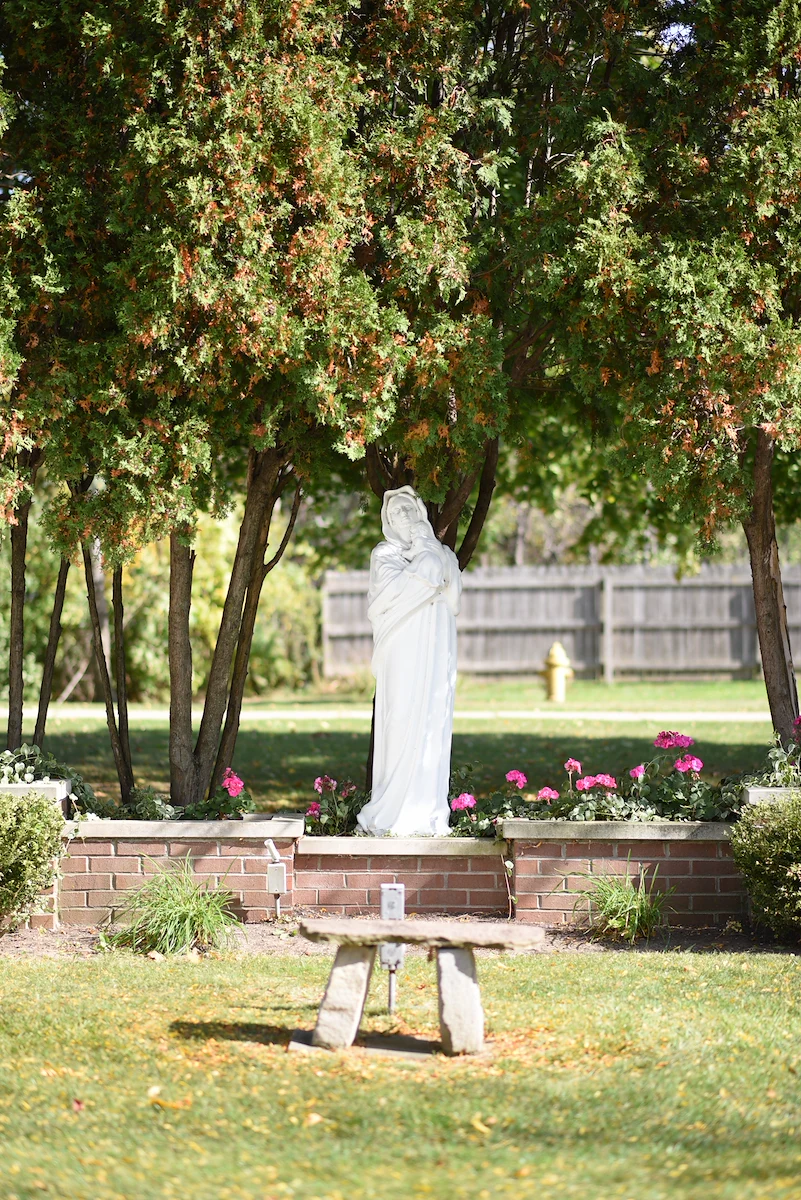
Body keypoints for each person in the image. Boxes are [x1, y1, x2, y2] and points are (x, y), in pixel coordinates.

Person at [357, 486, 462, 836]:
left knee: (432, 718)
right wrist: (427, 561)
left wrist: (430, 550)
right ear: (387, 521)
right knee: (400, 715)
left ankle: (426, 808)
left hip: (434, 647)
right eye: (395, 512)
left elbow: (452, 596)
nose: (403, 515)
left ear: (420, 512)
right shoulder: (384, 554)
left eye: (407, 509)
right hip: (402, 645)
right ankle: (390, 809)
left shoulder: (442, 553)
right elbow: (402, 589)